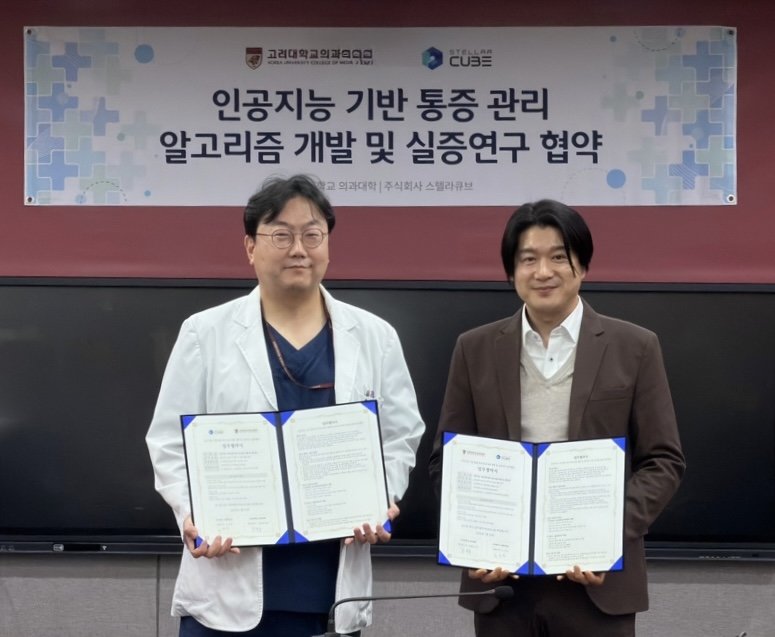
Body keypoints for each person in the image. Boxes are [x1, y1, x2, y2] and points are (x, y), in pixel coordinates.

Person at [146, 174, 425, 637]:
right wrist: (193, 513)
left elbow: (400, 435)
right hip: (226, 584)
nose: (299, 249)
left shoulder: (375, 336)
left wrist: (382, 497)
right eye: (281, 235)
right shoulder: (204, 333)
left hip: (328, 589)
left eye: (312, 235)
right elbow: (168, 442)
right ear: (250, 247)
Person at [428, 199, 685, 637]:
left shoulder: (635, 347)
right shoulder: (474, 349)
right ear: (511, 271)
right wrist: (472, 539)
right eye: (528, 259)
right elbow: (447, 462)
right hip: (502, 585)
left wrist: (605, 535)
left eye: (558, 257)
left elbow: (663, 461)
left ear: (582, 266)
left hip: (596, 583)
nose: (543, 271)